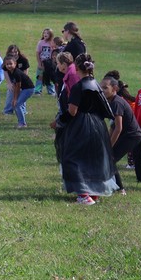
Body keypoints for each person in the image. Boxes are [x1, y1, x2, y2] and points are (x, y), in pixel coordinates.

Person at [55, 58, 116, 204]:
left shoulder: (78, 86)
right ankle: (94, 192)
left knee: (72, 157)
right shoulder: (96, 85)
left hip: (81, 125)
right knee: (92, 158)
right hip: (98, 125)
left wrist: (58, 122)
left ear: (77, 68)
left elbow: (72, 111)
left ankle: (83, 194)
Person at [101, 74, 141, 195]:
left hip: (132, 136)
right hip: (125, 135)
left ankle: (120, 189)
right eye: (101, 88)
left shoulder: (117, 103)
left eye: (105, 88)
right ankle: (112, 186)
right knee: (108, 158)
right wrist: (107, 142)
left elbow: (118, 128)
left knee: (110, 159)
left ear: (114, 89)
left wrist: (109, 146)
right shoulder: (110, 102)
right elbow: (113, 126)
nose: (102, 91)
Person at [35, 28, 56, 95]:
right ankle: (38, 91)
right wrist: (39, 63)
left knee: (50, 77)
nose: (45, 34)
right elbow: (37, 53)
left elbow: (54, 53)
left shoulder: (52, 43)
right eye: (44, 33)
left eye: (47, 33)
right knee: (39, 77)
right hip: (42, 63)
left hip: (50, 64)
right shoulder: (41, 42)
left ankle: (51, 91)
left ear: (51, 35)